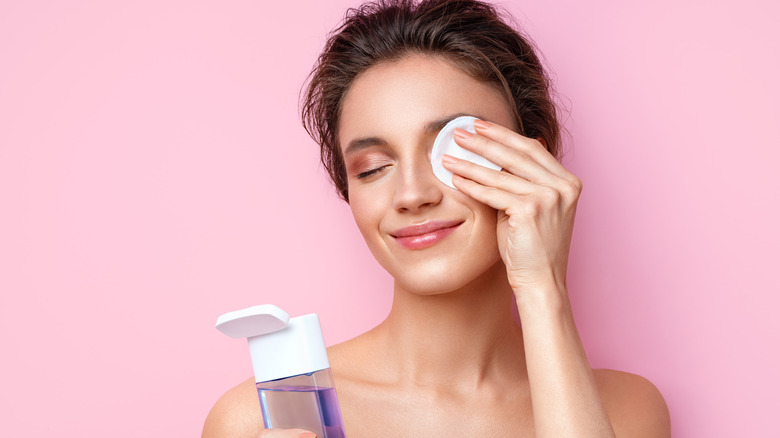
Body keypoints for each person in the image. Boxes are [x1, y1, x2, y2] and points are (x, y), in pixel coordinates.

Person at [202, 0, 671, 436]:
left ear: (531, 164)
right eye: (373, 168)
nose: (410, 195)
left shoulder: (624, 409)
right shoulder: (260, 418)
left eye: (450, 153)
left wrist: (544, 288)